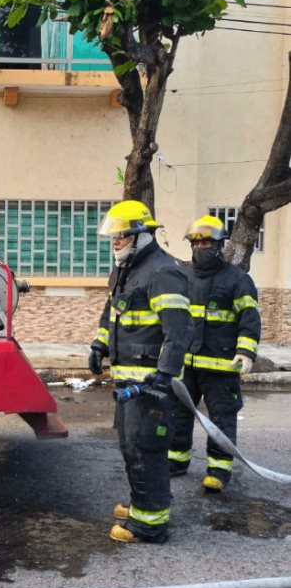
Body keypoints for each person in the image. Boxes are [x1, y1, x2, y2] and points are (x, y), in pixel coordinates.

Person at [88, 200, 193, 543]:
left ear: (139, 235)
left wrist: (164, 375)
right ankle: (142, 505)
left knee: (146, 448)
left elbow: (179, 332)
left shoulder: (162, 272)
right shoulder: (127, 269)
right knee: (131, 446)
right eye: (113, 237)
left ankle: (150, 524)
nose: (114, 242)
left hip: (149, 383)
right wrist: (99, 345)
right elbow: (113, 313)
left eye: (120, 237)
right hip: (127, 379)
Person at [168, 215, 261, 492]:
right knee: (179, 415)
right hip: (186, 364)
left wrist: (245, 352)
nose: (201, 248)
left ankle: (218, 471)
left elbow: (249, 318)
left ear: (219, 245)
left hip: (222, 367)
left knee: (221, 418)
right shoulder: (182, 277)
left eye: (207, 242)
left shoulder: (238, 279)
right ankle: (177, 460)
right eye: (196, 243)